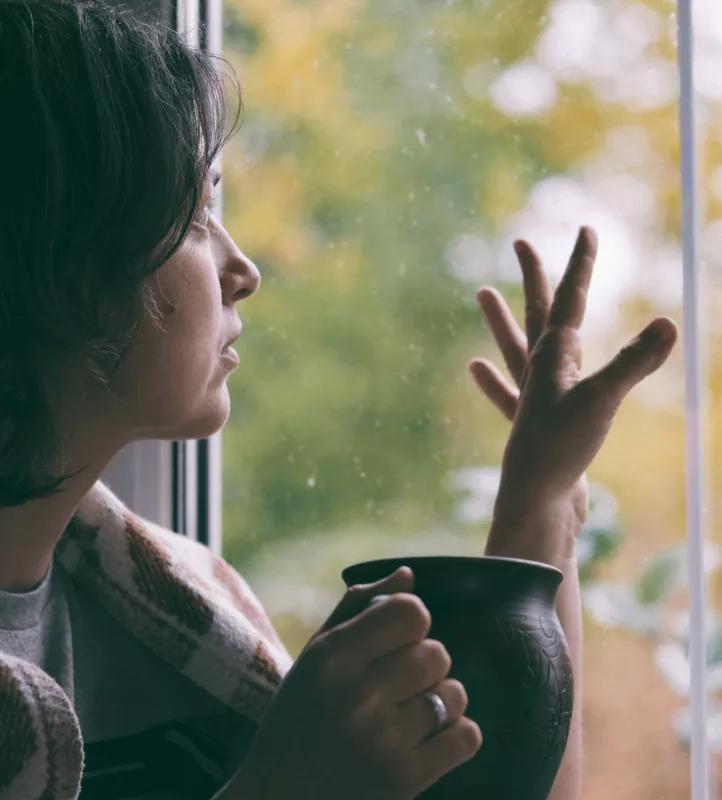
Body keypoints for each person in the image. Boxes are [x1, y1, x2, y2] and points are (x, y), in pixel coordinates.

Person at [0, 1, 678, 798]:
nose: (243, 268)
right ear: (59, 253)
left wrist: (543, 500)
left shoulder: (188, 615)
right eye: (195, 212)